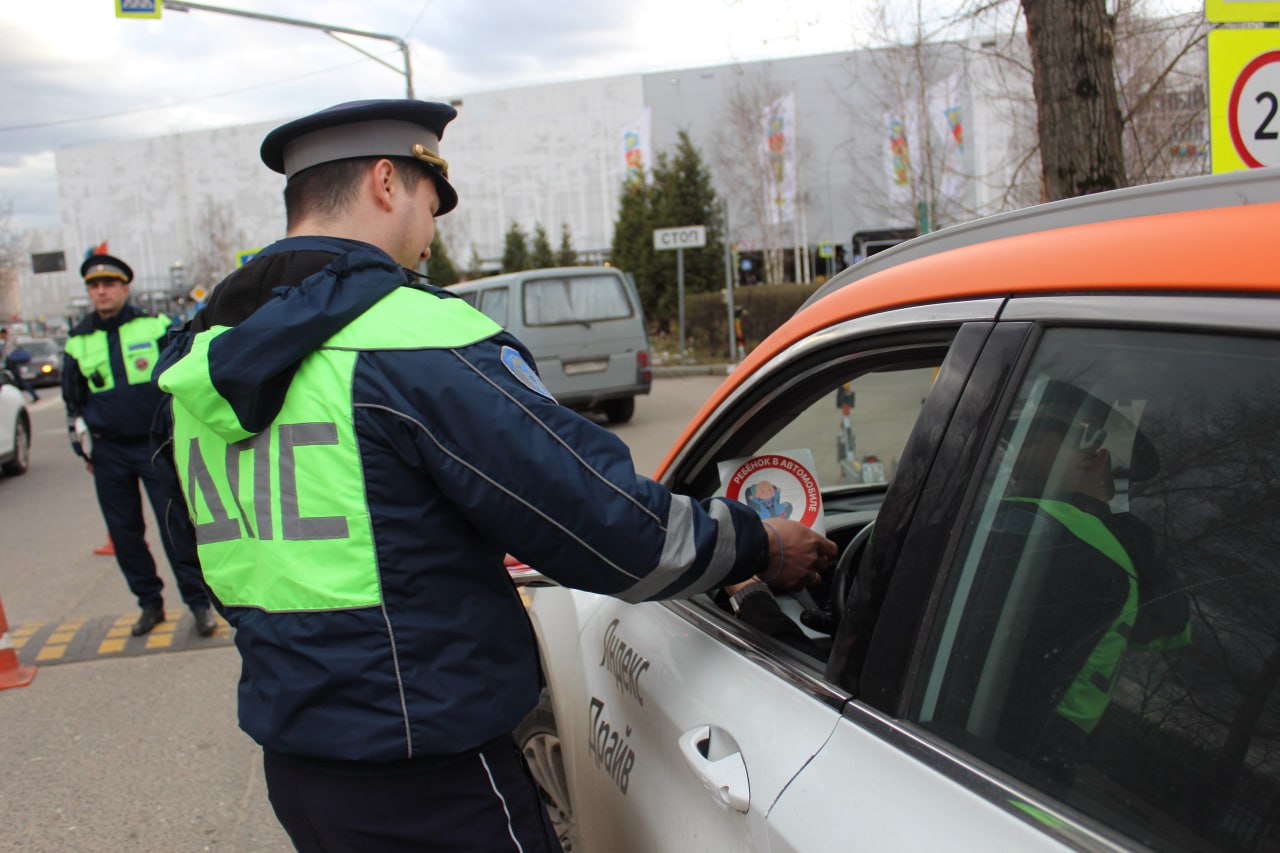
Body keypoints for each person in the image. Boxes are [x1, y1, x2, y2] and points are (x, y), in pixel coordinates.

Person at [153, 99, 836, 853]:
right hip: (431, 778)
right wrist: (760, 545)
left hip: (299, 765)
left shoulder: (202, 358)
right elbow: (606, 525)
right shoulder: (415, 339)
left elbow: (210, 551)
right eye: (429, 199)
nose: (431, 228)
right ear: (387, 183)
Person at [987, 380, 1190, 784]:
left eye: (1035, 439)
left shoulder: (1023, 528)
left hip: (998, 752)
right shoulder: (1125, 555)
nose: (1017, 454)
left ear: (1092, 459)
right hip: (1047, 768)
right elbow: (1171, 628)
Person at [62, 253, 216, 638]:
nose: (101, 291)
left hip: (155, 445)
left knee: (175, 526)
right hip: (108, 451)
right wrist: (83, 450)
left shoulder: (156, 326)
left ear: (125, 287)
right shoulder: (77, 342)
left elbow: (182, 377)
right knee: (125, 533)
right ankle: (150, 604)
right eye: (94, 286)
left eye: (109, 284)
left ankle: (198, 604)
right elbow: (73, 401)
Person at [1, 328, 39, 402]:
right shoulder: (6, 342)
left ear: (4, 334)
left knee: (19, 381)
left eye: (1, 335)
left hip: (13, 364)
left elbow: (10, 352)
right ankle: (32, 395)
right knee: (16, 382)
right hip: (10, 364)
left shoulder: (11, 341)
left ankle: (33, 395)